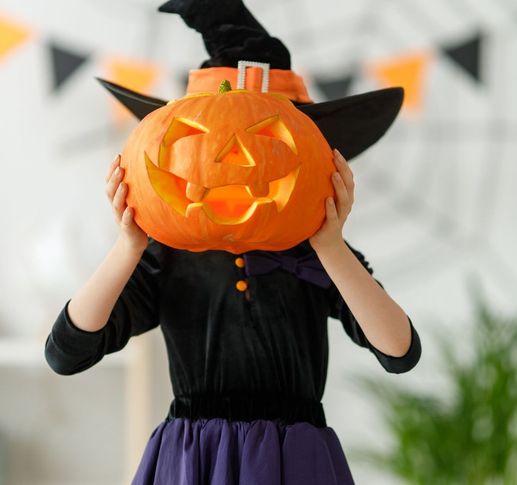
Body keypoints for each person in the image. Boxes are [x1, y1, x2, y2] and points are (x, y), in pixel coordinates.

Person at [45, 1, 422, 483]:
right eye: (197, 138)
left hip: (292, 461)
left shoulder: (319, 255)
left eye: (268, 139)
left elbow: (399, 351)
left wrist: (332, 246)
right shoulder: (168, 256)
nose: (232, 161)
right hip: (195, 459)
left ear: (317, 155)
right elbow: (66, 353)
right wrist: (128, 247)